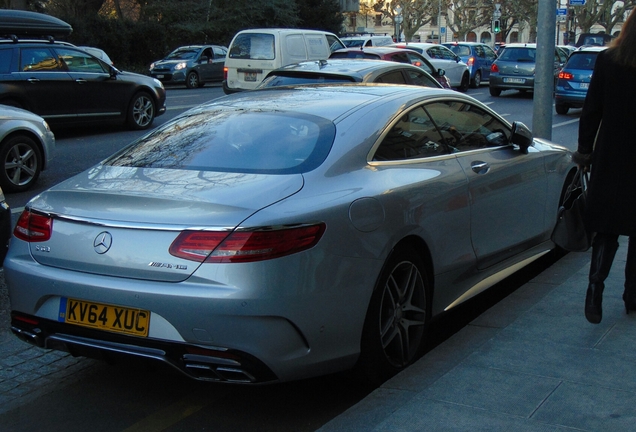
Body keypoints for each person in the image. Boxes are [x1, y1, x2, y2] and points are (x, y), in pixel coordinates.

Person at [572, 8, 636, 324]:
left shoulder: (608, 62)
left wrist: (585, 151)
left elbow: (591, 111)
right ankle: (632, 295)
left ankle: (595, 291)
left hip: (612, 157)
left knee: (607, 230)